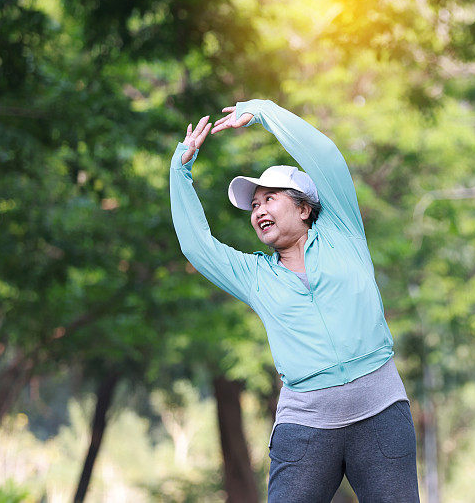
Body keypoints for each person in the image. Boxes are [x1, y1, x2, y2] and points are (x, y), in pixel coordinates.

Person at [169, 99, 419, 502]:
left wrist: (266, 112)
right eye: (253, 206)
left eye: (269, 199)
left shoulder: (343, 232)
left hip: (380, 415)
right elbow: (197, 246)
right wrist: (179, 171)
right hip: (305, 428)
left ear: (304, 207)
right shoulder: (255, 275)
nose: (258, 211)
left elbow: (326, 157)